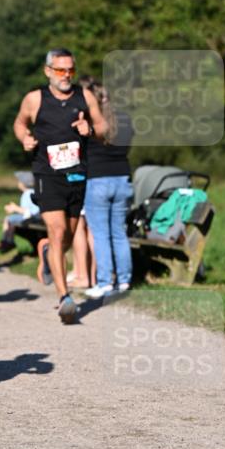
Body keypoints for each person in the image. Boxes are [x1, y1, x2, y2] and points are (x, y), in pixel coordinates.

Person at [13, 48, 107, 324]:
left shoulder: (84, 96)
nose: (66, 75)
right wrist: (24, 138)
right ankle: (65, 297)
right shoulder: (35, 98)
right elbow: (19, 123)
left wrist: (90, 130)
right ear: (48, 71)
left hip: (76, 173)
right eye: (60, 70)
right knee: (57, 231)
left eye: (70, 70)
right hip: (47, 173)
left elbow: (103, 128)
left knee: (68, 235)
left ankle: (47, 252)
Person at [83, 81, 134, 298]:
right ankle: (124, 281)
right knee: (119, 233)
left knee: (101, 235)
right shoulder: (125, 119)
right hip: (123, 178)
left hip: (97, 180)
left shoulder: (89, 122)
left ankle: (104, 282)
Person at [0, 171, 41, 253]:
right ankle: (7, 240)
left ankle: (7, 241)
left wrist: (15, 208)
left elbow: (30, 211)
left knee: (8, 219)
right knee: (11, 219)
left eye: (19, 181)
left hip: (32, 218)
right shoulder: (31, 192)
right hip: (32, 217)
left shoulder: (28, 194)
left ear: (23, 184)